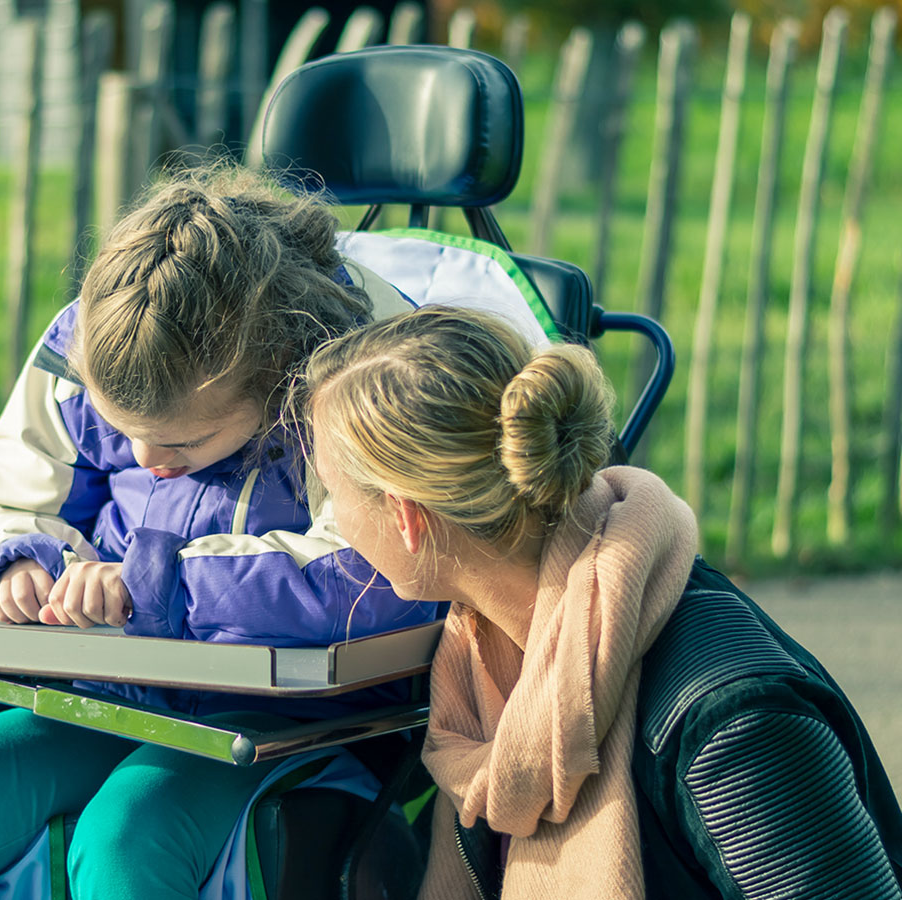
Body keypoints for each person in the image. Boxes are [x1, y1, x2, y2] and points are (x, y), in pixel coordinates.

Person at [0, 166, 437, 899]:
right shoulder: (110, 330)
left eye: (183, 445)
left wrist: (155, 586)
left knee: (129, 836)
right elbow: (11, 496)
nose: (144, 462)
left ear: (277, 377)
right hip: (115, 690)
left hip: (297, 721)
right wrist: (21, 562)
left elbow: (378, 574)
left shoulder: (365, 370)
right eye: (124, 432)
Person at [300, 304, 902, 899]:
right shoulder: (482, 664)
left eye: (330, 489)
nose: (327, 519)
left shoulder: (728, 723)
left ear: (407, 518)